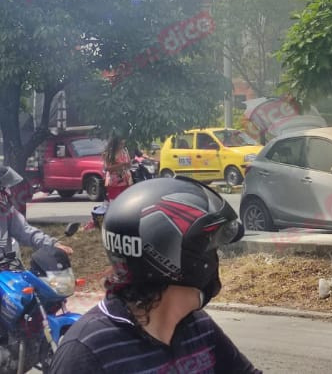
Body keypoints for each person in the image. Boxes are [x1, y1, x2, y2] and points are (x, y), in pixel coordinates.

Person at [49, 177, 261, 373]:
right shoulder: (86, 353)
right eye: (210, 251)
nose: (216, 261)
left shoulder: (198, 327)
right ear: (168, 255)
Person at [0, 166, 72, 255]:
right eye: (3, 188)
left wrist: (51, 244)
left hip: (7, 264)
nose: (5, 192)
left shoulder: (6, 211)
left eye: (4, 188)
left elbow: (24, 231)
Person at [103, 134, 133, 202]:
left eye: (123, 144)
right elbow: (107, 168)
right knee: (114, 201)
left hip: (126, 180)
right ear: (115, 144)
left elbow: (129, 164)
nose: (122, 146)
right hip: (114, 182)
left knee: (126, 201)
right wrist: (121, 165)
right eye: (120, 144)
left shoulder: (124, 151)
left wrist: (128, 164)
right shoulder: (109, 153)